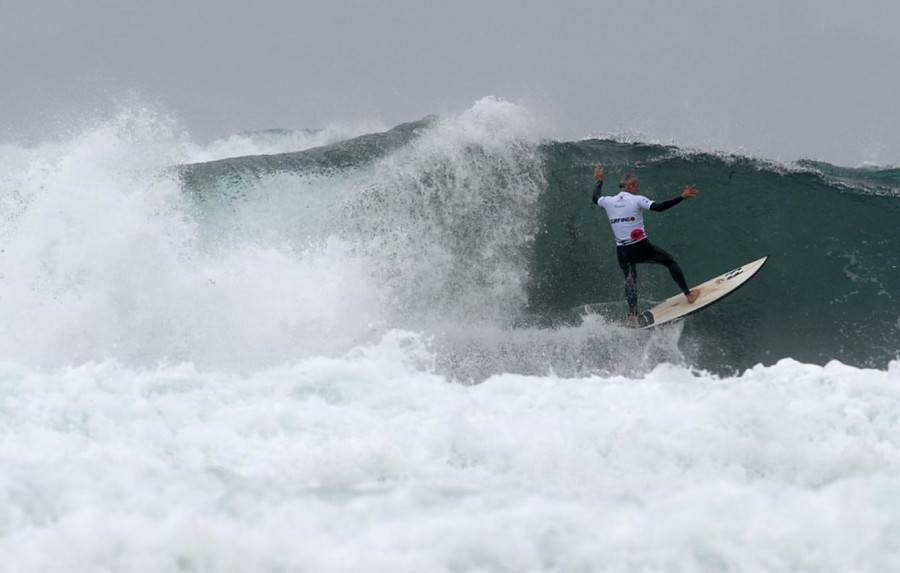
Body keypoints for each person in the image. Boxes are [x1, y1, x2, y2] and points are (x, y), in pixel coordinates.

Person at [592, 167, 700, 326]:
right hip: (640, 246)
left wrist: (599, 181)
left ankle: (633, 316)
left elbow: (595, 198)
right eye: (636, 186)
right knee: (670, 262)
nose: (638, 189)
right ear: (629, 186)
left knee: (630, 279)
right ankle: (689, 295)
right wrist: (681, 197)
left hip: (622, 250)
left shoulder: (608, 201)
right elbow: (658, 207)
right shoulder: (636, 199)